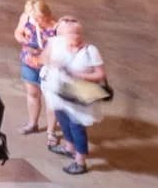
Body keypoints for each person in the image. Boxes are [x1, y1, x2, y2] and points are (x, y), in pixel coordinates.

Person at [39, 16, 107, 176]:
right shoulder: (57, 44)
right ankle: (69, 147)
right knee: (63, 120)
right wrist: (51, 62)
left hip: (78, 96)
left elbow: (100, 75)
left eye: (76, 33)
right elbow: (42, 59)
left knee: (77, 127)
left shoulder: (91, 50)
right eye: (69, 34)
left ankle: (80, 161)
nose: (74, 37)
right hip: (60, 93)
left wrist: (80, 75)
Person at [15, 0, 59, 138]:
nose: (37, 21)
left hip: (49, 68)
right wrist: (23, 40)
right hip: (29, 62)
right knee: (32, 93)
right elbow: (18, 32)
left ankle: (51, 131)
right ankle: (32, 123)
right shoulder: (26, 17)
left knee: (51, 99)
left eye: (40, 18)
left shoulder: (57, 27)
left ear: (47, 14)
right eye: (35, 18)